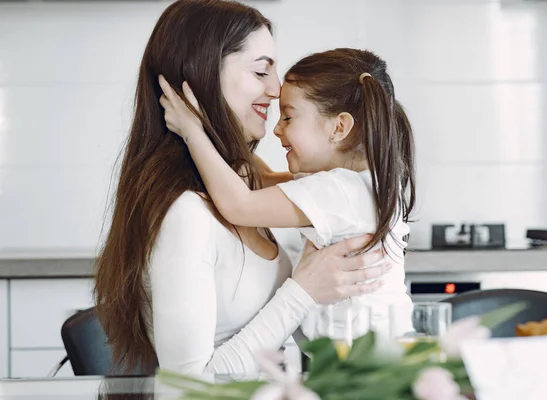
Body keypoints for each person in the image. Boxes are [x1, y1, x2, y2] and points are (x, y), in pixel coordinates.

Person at [93, 0, 391, 377]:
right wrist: (302, 291)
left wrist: (203, 134)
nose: (276, 88)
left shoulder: (241, 184)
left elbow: (260, 184)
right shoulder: (187, 213)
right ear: (203, 72)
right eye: (261, 71)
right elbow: (189, 385)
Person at [158, 47, 417, 339]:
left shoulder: (339, 191)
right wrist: (220, 125)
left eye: (288, 117)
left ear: (339, 127)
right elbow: (261, 179)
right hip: (379, 352)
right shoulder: (361, 183)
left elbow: (239, 204)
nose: (276, 129)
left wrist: (193, 132)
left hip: (365, 364)